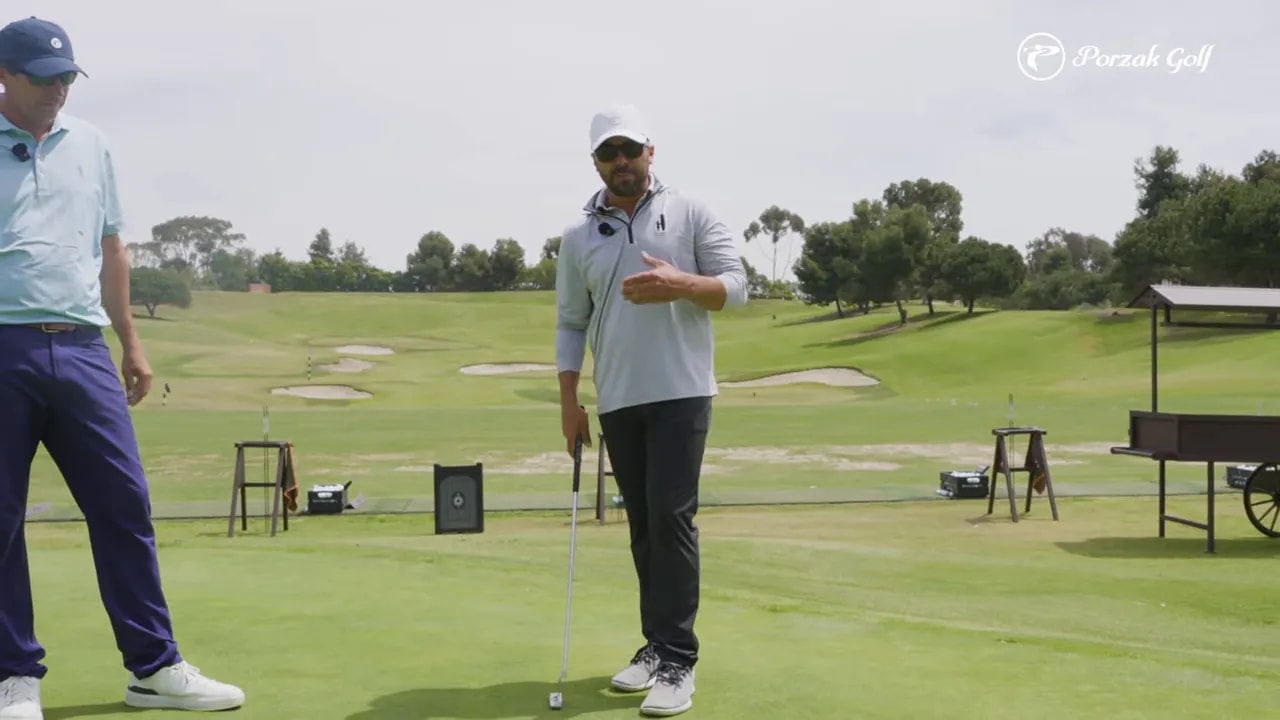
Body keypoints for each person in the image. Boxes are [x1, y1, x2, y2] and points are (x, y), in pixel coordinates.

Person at [0, 16, 244, 718]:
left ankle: (154, 666)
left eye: (67, 78)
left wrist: (130, 342)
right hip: (2, 345)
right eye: (44, 79)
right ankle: (13, 679)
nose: (57, 91)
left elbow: (112, 250)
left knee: (124, 504)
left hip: (82, 347)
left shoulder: (93, 144)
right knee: (2, 518)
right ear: (6, 75)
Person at [554, 103, 748, 717]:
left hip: (682, 391)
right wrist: (569, 403)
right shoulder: (578, 237)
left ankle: (679, 661)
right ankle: (654, 646)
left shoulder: (690, 212)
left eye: (629, 150)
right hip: (618, 396)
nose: (621, 162)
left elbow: (737, 286)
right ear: (595, 163)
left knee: (670, 519)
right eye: (608, 153)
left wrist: (682, 284)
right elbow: (569, 323)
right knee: (641, 525)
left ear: (650, 152)